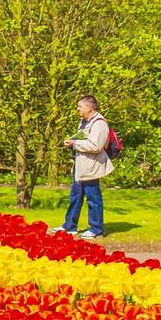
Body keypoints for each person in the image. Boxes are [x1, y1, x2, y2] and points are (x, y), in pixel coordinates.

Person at [57, 94, 115, 239]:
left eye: (80, 106)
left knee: (93, 198)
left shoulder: (100, 124)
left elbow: (96, 146)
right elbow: (82, 137)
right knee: (75, 196)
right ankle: (69, 226)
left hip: (91, 167)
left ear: (89, 108)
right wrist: (72, 140)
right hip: (80, 165)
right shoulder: (85, 122)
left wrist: (75, 144)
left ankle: (96, 229)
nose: (78, 109)